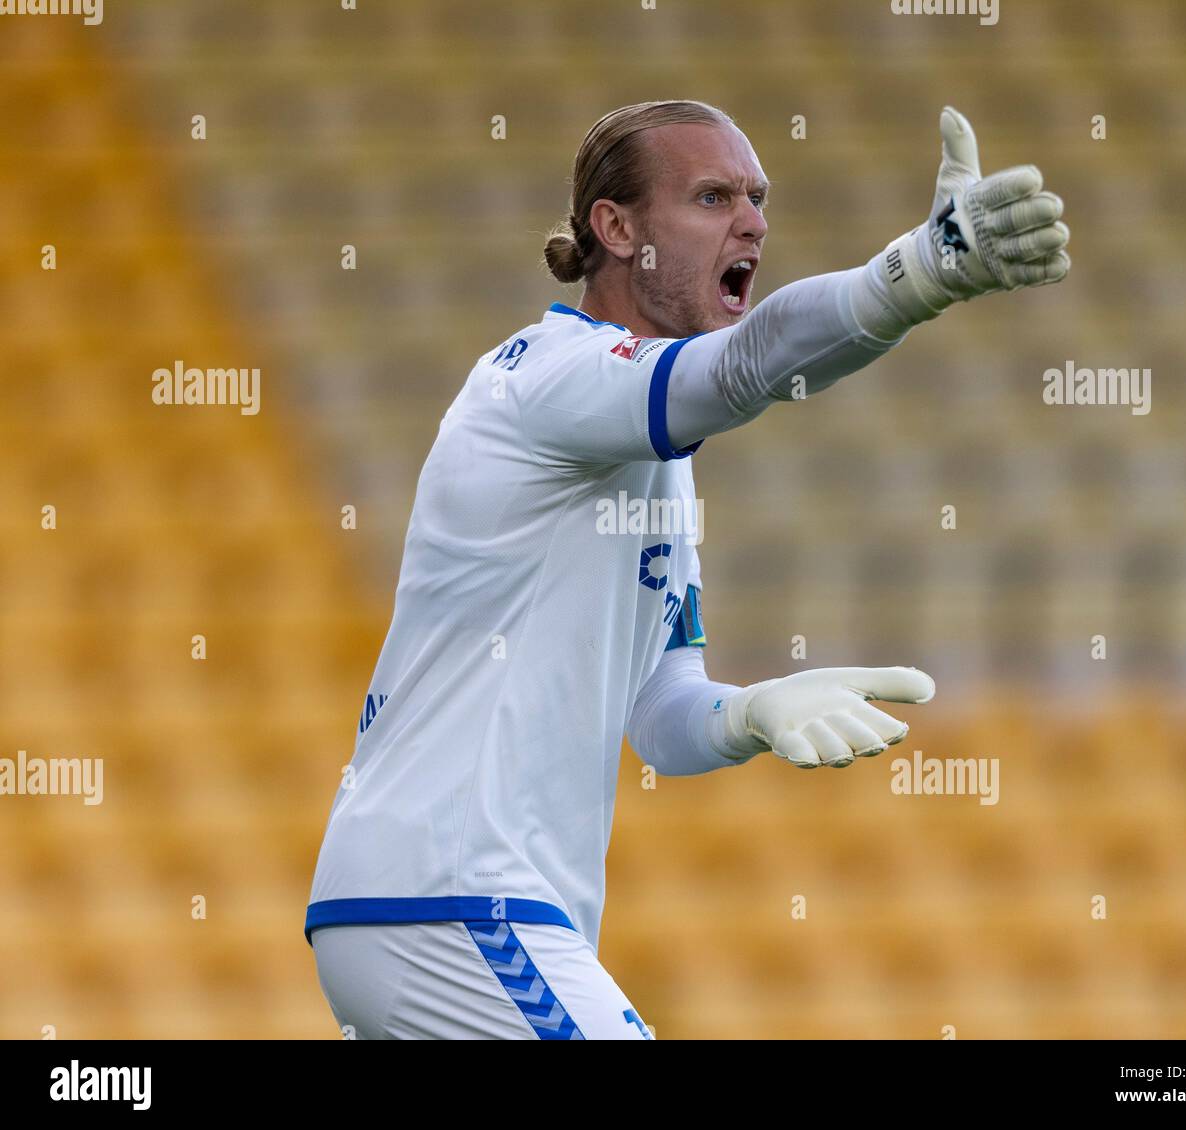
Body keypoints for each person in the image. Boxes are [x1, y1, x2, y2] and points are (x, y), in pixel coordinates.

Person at [306, 99, 1070, 1039]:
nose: (751, 221)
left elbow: (661, 717)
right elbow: (748, 366)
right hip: (452, 895)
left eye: (757, 197)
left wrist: (749, 711)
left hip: (443, 906)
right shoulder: (550, 378)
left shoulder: (649, 454)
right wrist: (915, 275)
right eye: (713, 197)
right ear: (615, 229)